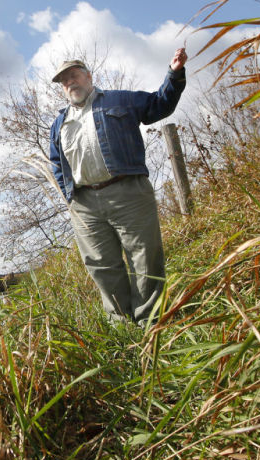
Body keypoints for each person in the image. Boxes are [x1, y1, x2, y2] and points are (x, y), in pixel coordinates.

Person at [49, 49, 188, 325]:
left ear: (89, 76)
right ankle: (123, 328)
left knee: (144, 259)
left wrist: (174, 73)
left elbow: (160, 104)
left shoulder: (119, 100)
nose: (70, 83)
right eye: (64, 81)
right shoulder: (59, 124)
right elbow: (57, 161)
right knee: (101, 266)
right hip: (84, 203)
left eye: (74, 76)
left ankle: (151, 324)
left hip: (127, 193)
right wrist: (71, 199)